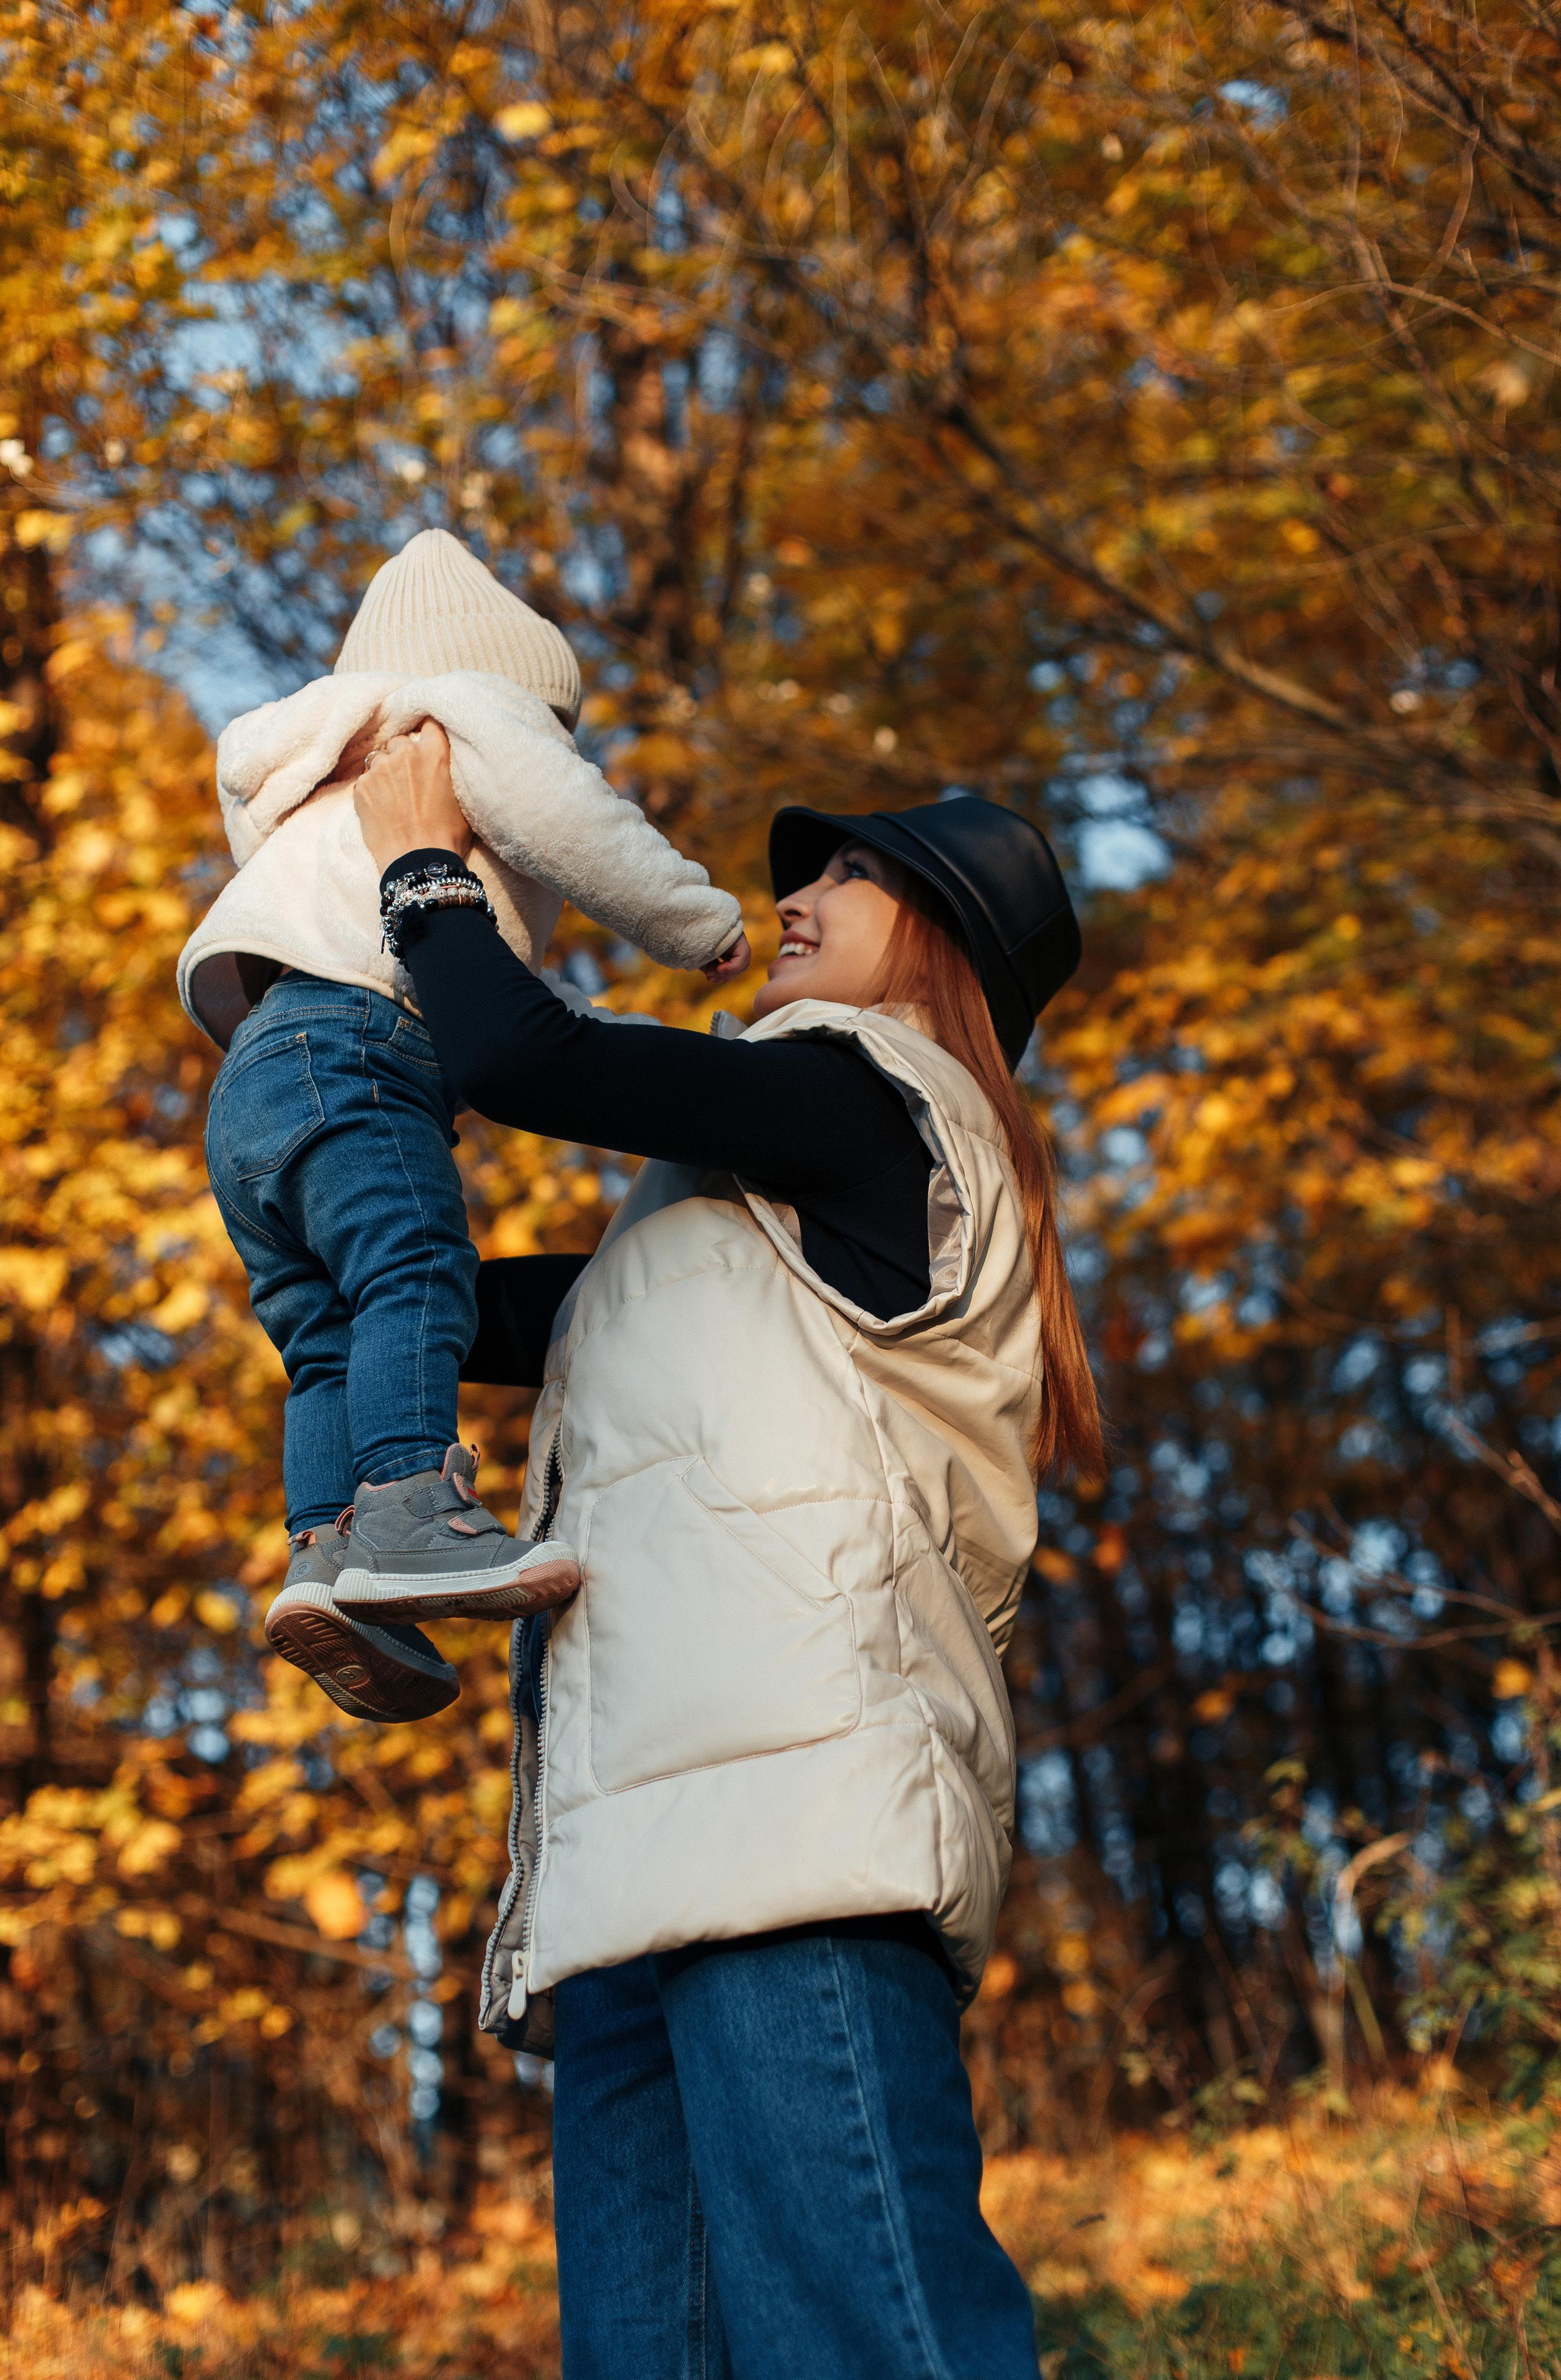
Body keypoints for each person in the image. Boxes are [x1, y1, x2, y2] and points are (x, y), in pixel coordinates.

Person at [352, 728, 1104, 2380]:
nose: (799, 897)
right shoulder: (716, 1219)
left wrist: (422, 870)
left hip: (796, 1836)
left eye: (854, 872)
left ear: (943, 948)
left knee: (869, 2343)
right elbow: (451, 1310)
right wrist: (320, 1181)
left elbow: (528, 1055)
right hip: (635, 1861)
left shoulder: (882, 1099)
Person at [178, 530, 746, 1722]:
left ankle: (326, 1560)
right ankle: (408, 1505)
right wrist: (699, 924)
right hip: (357, 1050)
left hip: (251, 1077)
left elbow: (519, 1005)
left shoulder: (311, 766)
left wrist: (645, 1045)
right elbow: (580, 828)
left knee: (325, 1337)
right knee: (417, 1269)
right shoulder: (463, 716)